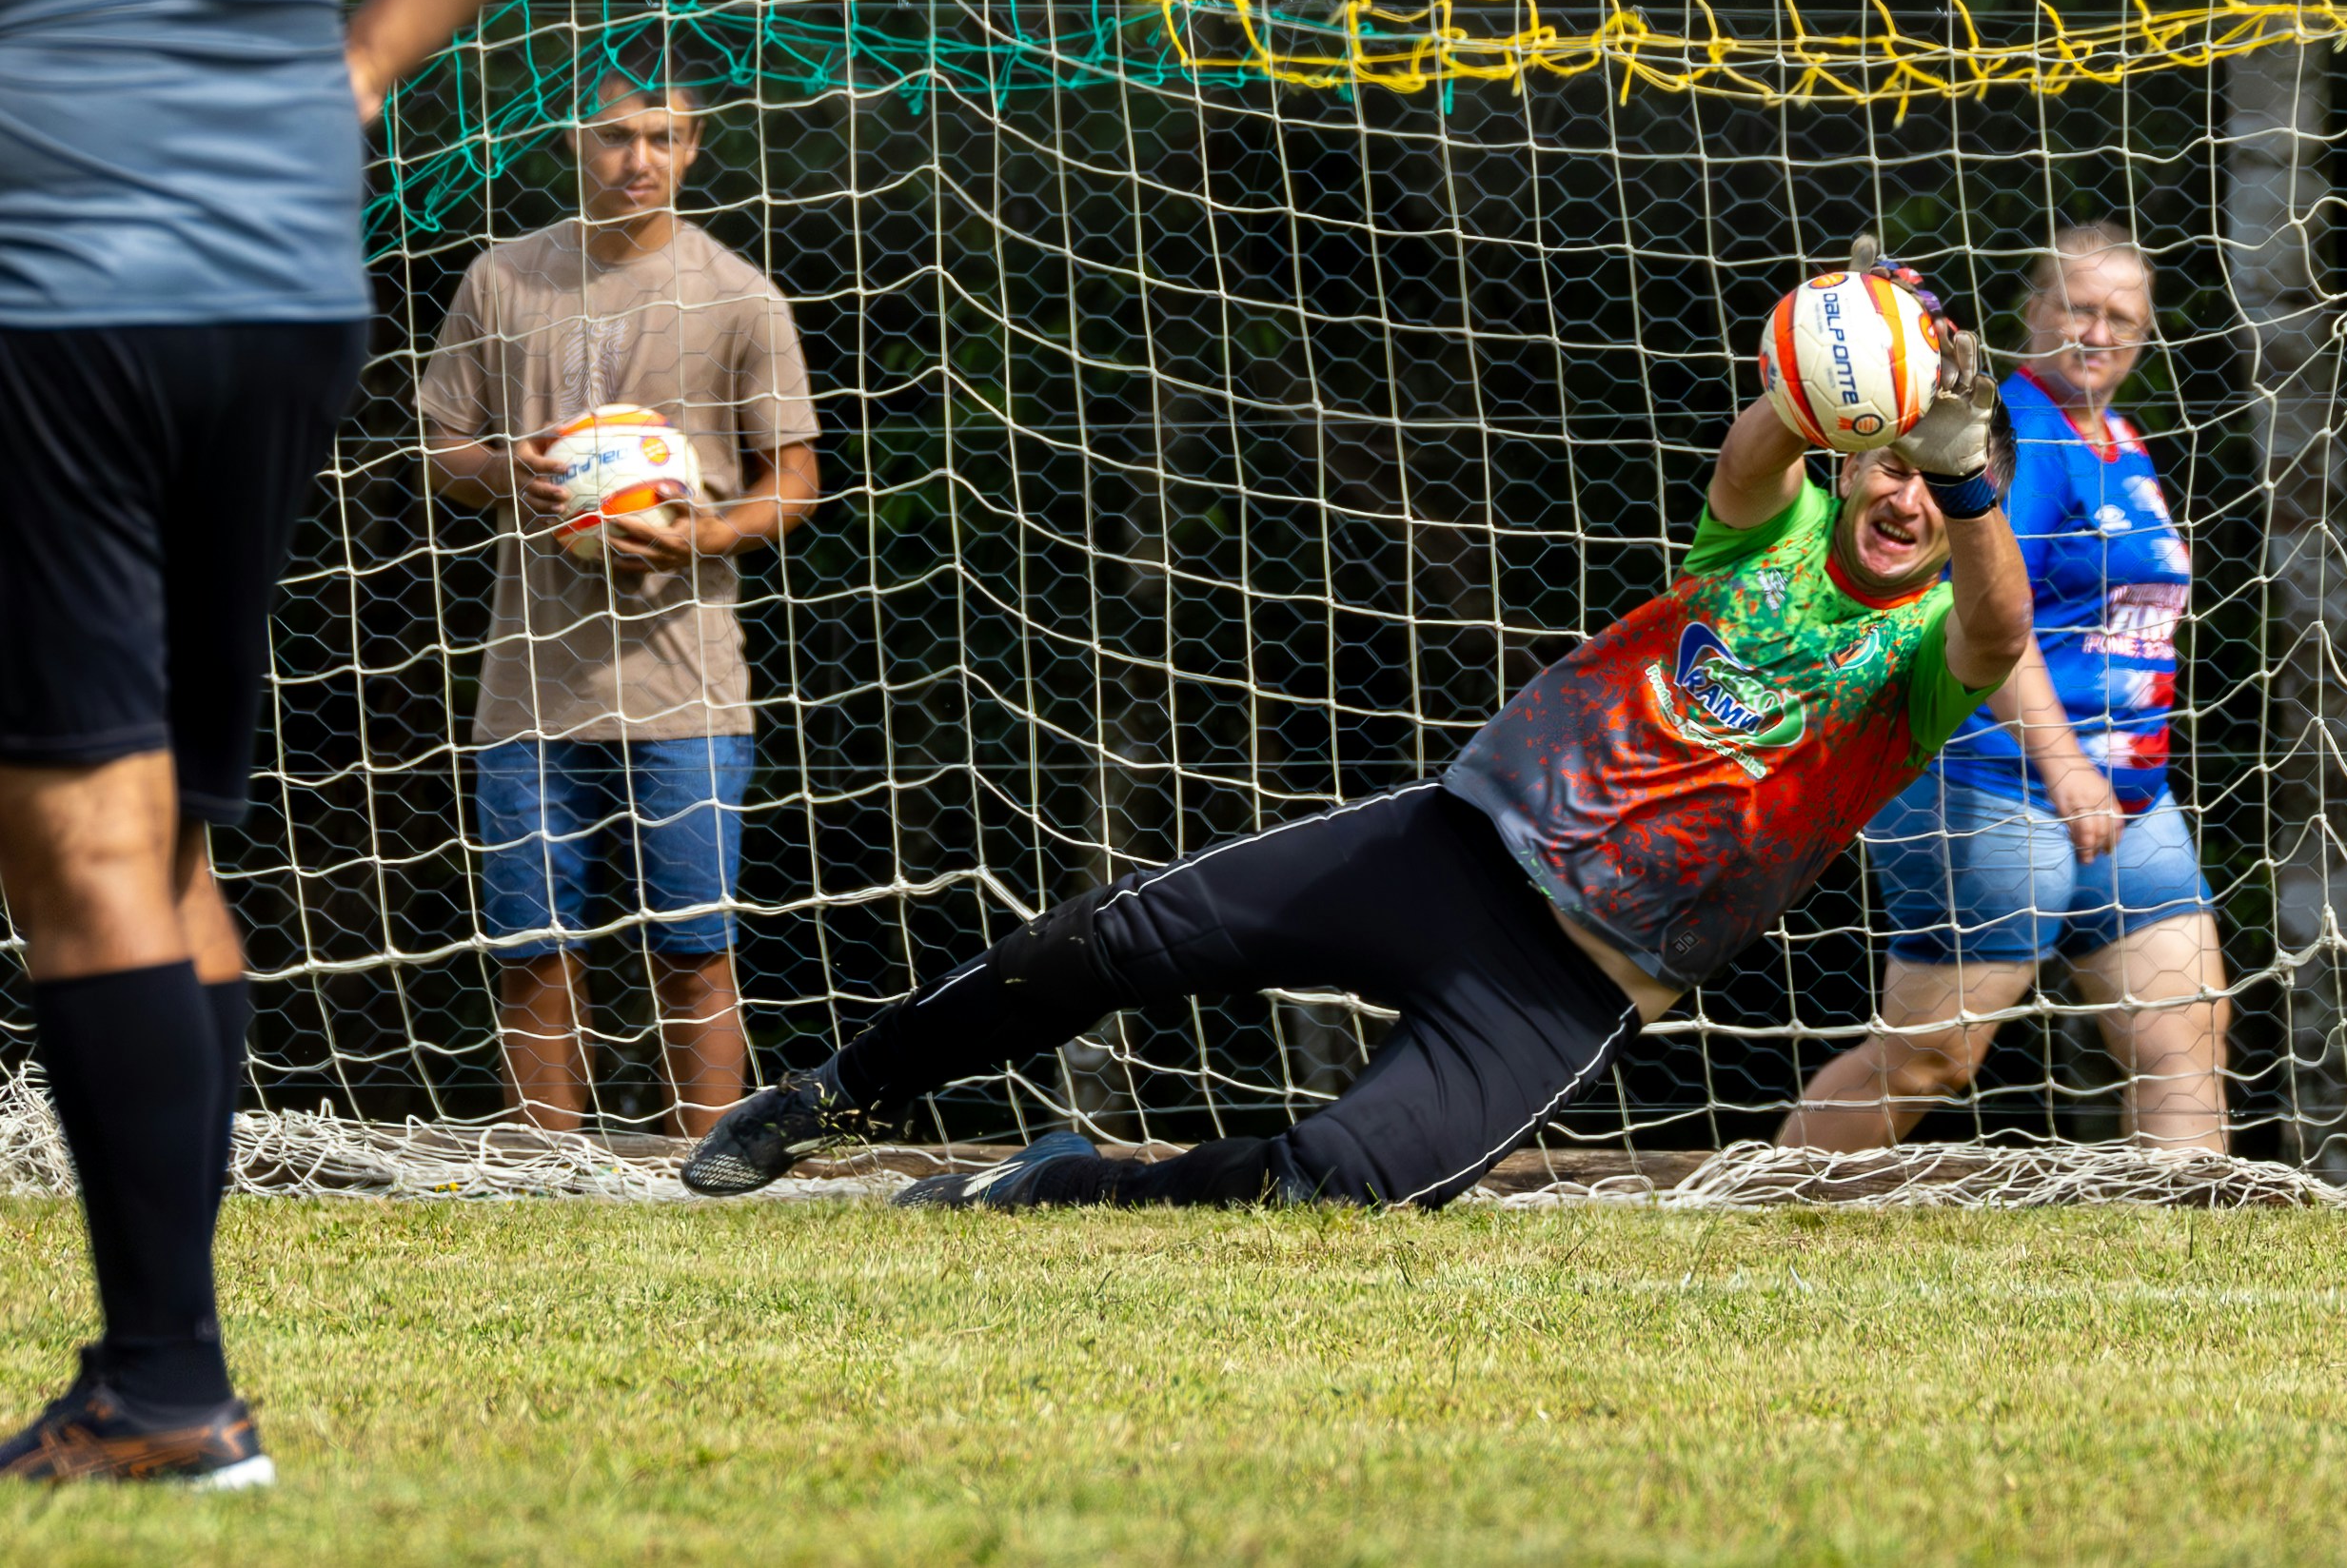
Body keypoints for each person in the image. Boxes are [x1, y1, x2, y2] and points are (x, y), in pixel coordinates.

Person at [677, 244, 2032, 1210]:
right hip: (1451, 850)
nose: (1903, 497)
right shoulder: (1773, 530)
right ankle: (832, 1094)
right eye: (1888, 464)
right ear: (1852, 454)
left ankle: (1051, 1184)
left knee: (1343, 1185)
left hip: (1572, 988)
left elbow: (1998, 629)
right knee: (1109, 938)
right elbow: (1754, 454)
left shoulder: (1928, 652)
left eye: (1933, 485)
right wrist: (1841, 344)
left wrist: (1965, 470)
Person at [0, 0, 602, 1487]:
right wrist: (362, 62)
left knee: (80, 835)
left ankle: (169, 1391)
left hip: (49, 272)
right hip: (276, 271)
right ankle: (150, 1367)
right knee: (163, 838)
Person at [422, 50, 821, 1139]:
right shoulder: (503, 280)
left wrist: (703, 532)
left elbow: (794, 476)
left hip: (684, 684)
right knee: (531, 950)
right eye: (615, 134)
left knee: (693, 949)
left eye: (661, 136)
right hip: (531, 684)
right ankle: (546, 1178)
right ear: (574, 139)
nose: (637, 157)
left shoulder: (738, 294)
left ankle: (711, 1171)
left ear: (692, 147)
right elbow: (441, 447)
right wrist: (508, 469)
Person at [1778, 224, 2229, 1152]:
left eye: (2120, 317)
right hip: (1993, 780)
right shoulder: (2013, 432)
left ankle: (2194, 1238)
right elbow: (1984, 611)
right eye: (2076, 307)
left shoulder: (2118, 440)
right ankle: (1760, 1213)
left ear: (2144, 334)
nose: (2095, 332)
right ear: (2032, 311)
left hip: (2129, 795)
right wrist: (2065, 766)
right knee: (1930, 1058)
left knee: (2185, 1037)